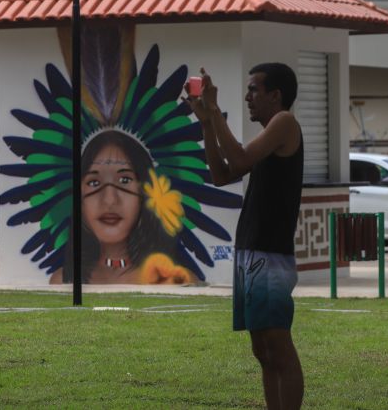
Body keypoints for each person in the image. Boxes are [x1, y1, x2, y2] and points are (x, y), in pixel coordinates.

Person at [186, 63, 304, 410]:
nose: (248, 97)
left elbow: (236, 158)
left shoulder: (284, 122)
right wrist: (206, 122)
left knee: (278, 345)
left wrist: (215, 113)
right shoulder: (267, 137)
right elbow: (223, 174)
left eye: (254, 89)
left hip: (270, 254)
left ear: (275, 95)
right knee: (262, 350)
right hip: (250, 253)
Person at [50, 130, 194, 285]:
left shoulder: (175, 280)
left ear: (146, 194)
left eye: (125, 180)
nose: (109, 200)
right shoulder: (63, 281)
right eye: (94, 183)